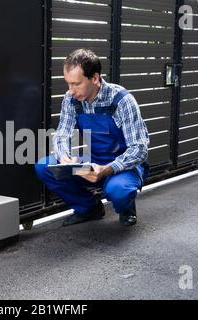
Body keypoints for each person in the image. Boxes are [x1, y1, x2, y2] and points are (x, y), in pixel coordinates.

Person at [35, 48, 150, 227]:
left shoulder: (122, 100)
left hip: (122, 167)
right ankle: (89, 208)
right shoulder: (71, 99)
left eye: (76, 84)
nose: (70, 90)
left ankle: (125, 207)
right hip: (91, 165)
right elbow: (62, 134)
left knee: (118, 190)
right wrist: (64, 156)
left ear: (94, 78)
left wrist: (107, 169)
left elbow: (140, 149)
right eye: (68, 84)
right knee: (44, 167)